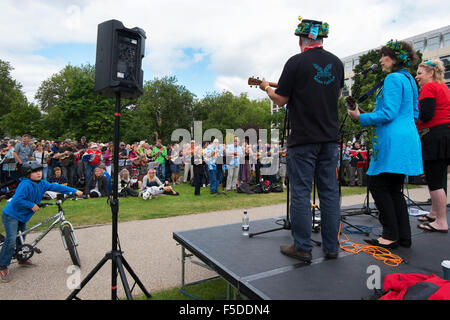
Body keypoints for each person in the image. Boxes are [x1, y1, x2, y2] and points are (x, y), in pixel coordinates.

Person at [259, 17, 343, 262]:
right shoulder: (337, 63)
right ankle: (331, 247)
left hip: (304, 139)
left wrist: (266, 88)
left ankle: (303, 247)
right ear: (321, 39)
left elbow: (281, 100)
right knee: (329, 194)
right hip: (329, 138)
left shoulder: (295, 62)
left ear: (300, 40)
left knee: (300, 193)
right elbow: (335, 94)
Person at [348, 39, 423, 248]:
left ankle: (390, 235)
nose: (381, 60)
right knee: (393, 189)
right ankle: (403, 236)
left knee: (377, 184)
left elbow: (388, 113)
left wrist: (360, 117)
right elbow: (415, 113)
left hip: (392, 141)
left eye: (384, 56)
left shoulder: (392, 79)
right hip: (408, 137)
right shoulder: (409, 80)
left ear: (395, 58)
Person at [0, 161, 82, 283]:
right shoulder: (25, 184)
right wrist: (30, 204)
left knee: (21, 236)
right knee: (11, 239)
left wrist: (73, 190)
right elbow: (17, 200)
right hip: (11, 215)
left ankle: (21, 258)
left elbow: (56, 187)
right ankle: (3, 265)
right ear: (28, 174)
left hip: (22, 216)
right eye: (35, 171)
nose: (38, 173)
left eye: (39, 171)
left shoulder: (42, 183)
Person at [415, 59, 450, 233]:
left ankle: (442, 221)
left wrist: (413, 118)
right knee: (437, 176)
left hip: (434, 135)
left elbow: (426, 114)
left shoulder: (429, 88)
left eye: (420, 73)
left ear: (431, 73)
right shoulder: (444, 88)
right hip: (445, 134)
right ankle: (435, 213)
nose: (417, 76)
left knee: (435, 180)